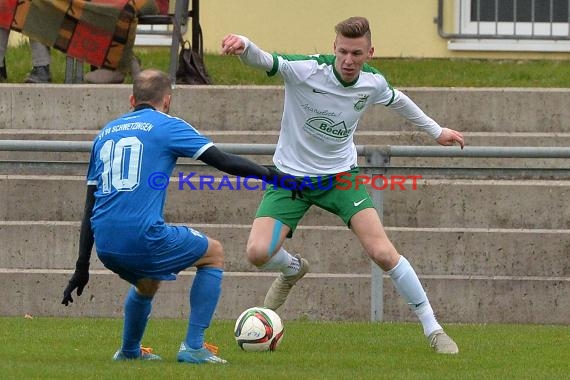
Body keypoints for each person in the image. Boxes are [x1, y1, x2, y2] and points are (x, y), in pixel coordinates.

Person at [221, 16, 465, 354]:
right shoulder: (306, 70)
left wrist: (437, 132)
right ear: (333, 48)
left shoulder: (372, 83)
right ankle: (293, 269)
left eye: (357, 54)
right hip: (290, 178)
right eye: (343, 52)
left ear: (370, 53)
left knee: (382, 252)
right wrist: (245, 45)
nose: (349, 61)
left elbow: (400, 101)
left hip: (340, 178)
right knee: (257, 253)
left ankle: (433, 329)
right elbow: (265, 60)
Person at [60, 69, 301, 363]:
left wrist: (81, 266)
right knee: (213, 253)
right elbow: (221, 160)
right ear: (167, 101)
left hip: (106, 245)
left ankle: (129, 352)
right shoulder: (167, 125)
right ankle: (194, 347)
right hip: (142, 235)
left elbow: (89, 206)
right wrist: (271, 175)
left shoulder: (105, 134)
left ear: (132, 99)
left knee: (146, 282)